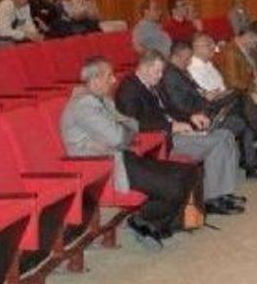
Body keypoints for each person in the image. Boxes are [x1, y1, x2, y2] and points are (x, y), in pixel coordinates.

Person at [60, 57, 200, 249]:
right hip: (105, 166)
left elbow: (131, 123)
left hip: (123, 155)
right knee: (172, 186)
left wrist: (124, 132)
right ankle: (142, 221)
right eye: (109, 76)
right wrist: (126, 133)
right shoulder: (83, 106)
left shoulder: (102, 100)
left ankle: (160, 225)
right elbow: (117, 137)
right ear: (96, 79)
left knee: (188, 172)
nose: (114, 80)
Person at [115, 50, 246, 215]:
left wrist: (191, 116)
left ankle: (223, 193)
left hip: (175, 132)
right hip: (161, 141)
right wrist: (171, 127)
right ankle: (211, 199)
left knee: (225, 135)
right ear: (145, 68)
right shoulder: (128, 89)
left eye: (161, 71)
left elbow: (171, 108)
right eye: (157, 71)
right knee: (218, 142)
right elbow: (133, 125)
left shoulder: (153, 83)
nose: (161, 76)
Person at [160, 41, 257, 180]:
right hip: (201, 115)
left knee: (243, 112)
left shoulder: (178, 72)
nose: (189, 61)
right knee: (240, 95)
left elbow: (195, 92)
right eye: (187, 58)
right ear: (177, 56)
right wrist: (205, 102)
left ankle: (255, 161)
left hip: (206, 105)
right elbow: (179, 107)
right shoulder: (170, 76)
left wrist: (206, 94)